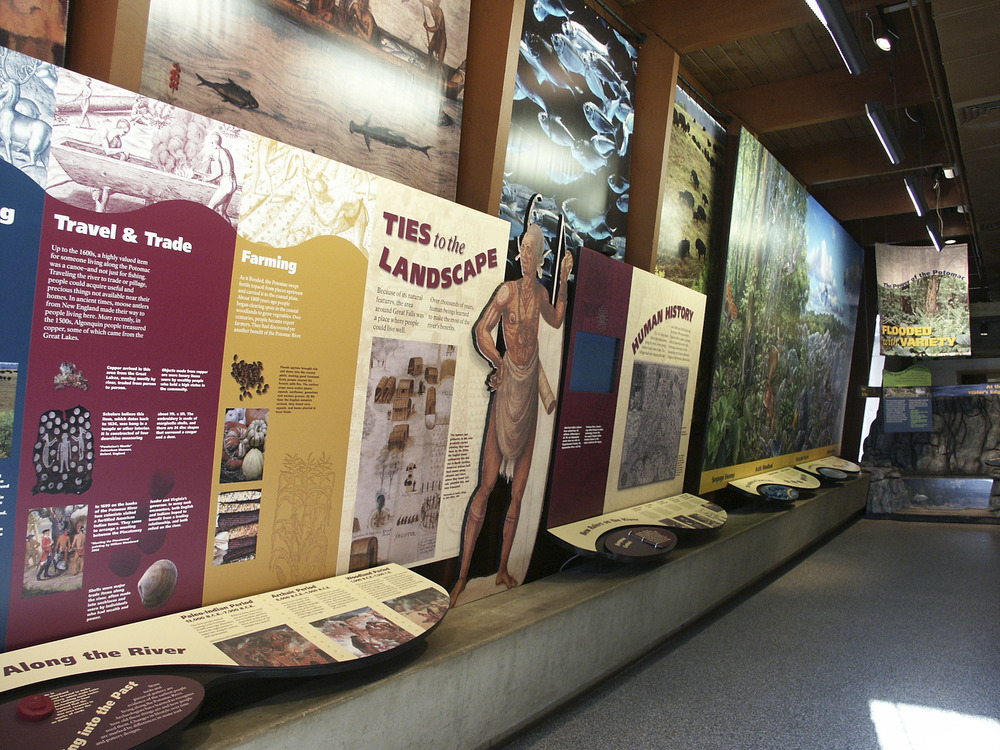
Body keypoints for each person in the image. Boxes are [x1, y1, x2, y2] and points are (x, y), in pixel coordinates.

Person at [450, 223, 571, 606]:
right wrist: (498, 361)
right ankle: (462, 578)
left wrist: (564, 279)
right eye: (524, 249)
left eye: (533, 250)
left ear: (541, 257)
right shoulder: (507, 291)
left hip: (530, 393)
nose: (527, 255)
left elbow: (555, 319)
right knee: (486, 486)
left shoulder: (540, 292)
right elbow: (482, 330)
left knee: (517, 492)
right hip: (507, 394)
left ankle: (502, 568)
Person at [205, 132, 237, 218]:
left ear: (212, 142)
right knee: (222, 212)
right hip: (233, 183)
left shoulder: (217, 151)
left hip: (226, 183)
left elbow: (219, 172)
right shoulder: (226, 151)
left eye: (211, 142)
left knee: (210, 208)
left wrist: (206, 179)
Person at [420, 0, 447, 67]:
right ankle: (427, 69)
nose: (437, 2)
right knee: (430, 50)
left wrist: (427, 28)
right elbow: (422, 1)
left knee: (439, 64)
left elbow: (437, 27)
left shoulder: (439, 12)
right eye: (436, 1)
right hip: (436, 35)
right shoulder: (431, 5)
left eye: (438, 1)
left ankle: (442, 76)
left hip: (442, 38)